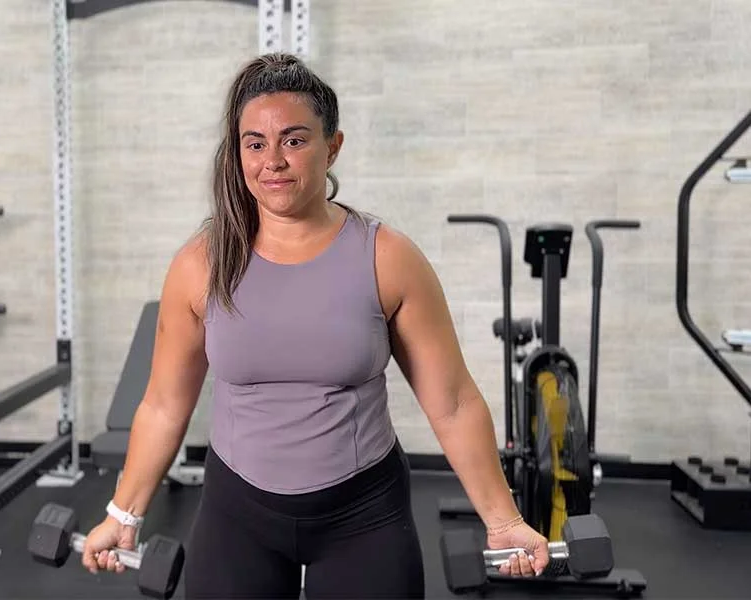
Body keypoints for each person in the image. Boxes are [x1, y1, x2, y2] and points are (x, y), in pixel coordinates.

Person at [81, 53, 550, 599]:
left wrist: (502, 520)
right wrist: (124, 513)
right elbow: (163, 405)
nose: (272, 161)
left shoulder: (388, 258)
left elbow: (452, 402)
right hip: (239, 511)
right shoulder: (201, 264)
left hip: (363, 512)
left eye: (295, 140)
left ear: (333, 146)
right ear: (238, 153)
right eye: (254, 143)